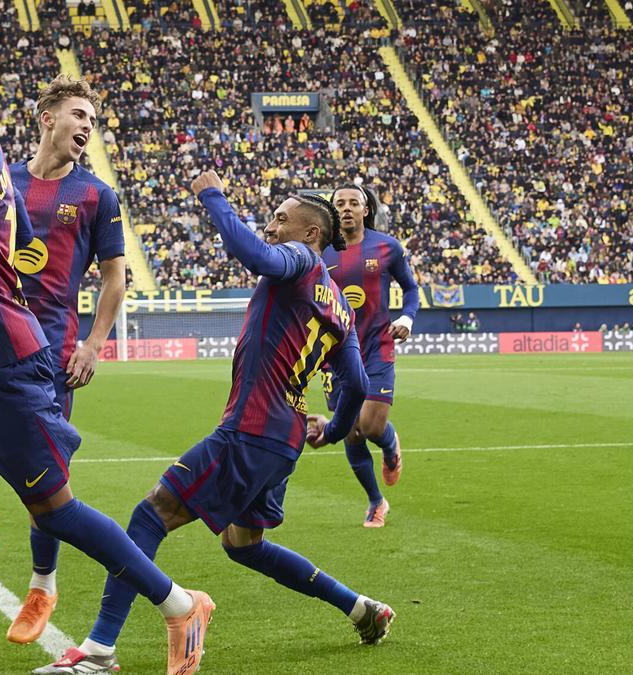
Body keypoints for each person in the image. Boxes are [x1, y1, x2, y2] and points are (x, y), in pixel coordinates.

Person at [0, 54, 213, 675]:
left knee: (55, 511)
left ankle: (178, 603)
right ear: (47, 119)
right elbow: (26, 241)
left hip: (6, 367)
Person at [34, 171, 394, 674]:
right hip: (284, 438)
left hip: (252, 429)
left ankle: (99, 650)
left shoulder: (301, 259)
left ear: (312, 232)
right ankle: (361, 609)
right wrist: (333, 430)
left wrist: (212, 195)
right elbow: (355, 382)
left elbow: (258, 256)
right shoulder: (339, 304)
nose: (271, 226)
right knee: (244, 545)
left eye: (281, 218)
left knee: (151, 514)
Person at [0, 75, 128, 645]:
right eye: (79, 114)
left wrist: (94, 344)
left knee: (44, 487)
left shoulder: (96, 195)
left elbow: (115, 277)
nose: (87, 126)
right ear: (47, 118)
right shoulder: (3, 179)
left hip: (50, 358)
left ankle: (42, 586)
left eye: (92, 120)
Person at [321, 185, 419, 528]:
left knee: (372, 426)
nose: (347, 208)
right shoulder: (319, 251)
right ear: (332, 211)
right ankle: (376, 501)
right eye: (340, 203)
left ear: (365, 210)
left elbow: (411, 288)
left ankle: (390, 446)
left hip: (377, 345)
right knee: (350, 431)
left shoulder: (387, 247)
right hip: (335, 351)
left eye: (354, 203)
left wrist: (406, 318)